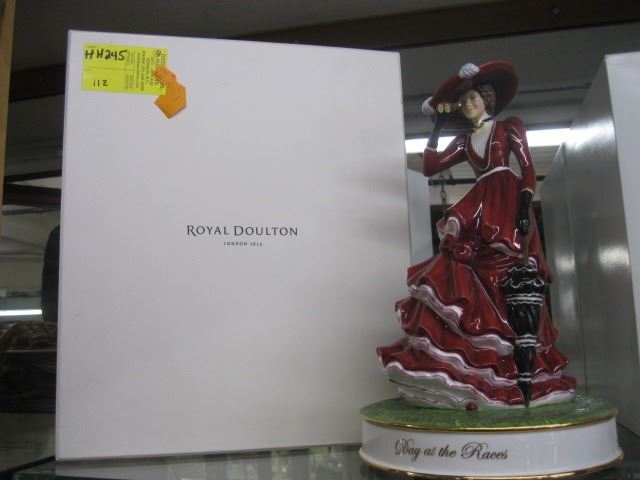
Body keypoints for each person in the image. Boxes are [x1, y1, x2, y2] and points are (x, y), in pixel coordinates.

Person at [377, 61, 576, 409]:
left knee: (515, 280)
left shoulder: (510, 126)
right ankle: (480, 366)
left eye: (474, 98)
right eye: (463, 101)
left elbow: (527, 168)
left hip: (507, 200)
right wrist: (438, 126)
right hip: (480, 203)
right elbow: (430, 167)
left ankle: (523, 369)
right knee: (462, 269)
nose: (468, 104)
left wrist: (525, 204)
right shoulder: (464, 140)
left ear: (487, 99)